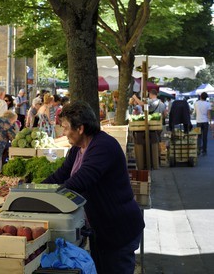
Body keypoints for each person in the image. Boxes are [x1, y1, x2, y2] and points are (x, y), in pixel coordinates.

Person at [42, 101, 144, 273]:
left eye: (66, 128)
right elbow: (60, 175)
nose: (64, 132)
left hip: (117, 229)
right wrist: (33, 192)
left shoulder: (103, 146)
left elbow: (81, 181)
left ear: (80, 128)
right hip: (100, 229)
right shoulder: (78, 148)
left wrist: (49, 198)